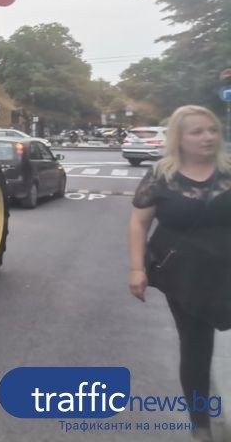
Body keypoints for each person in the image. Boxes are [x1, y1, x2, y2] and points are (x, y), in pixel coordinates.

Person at [128, 105, 231, 440]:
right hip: (185, 275)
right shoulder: (162, 174)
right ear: (179, 138)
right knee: (196, 349)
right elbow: (139, 222)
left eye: (212, 130)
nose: (207, 137)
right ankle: (200, 422)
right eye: (197, 132)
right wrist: (136, 268)